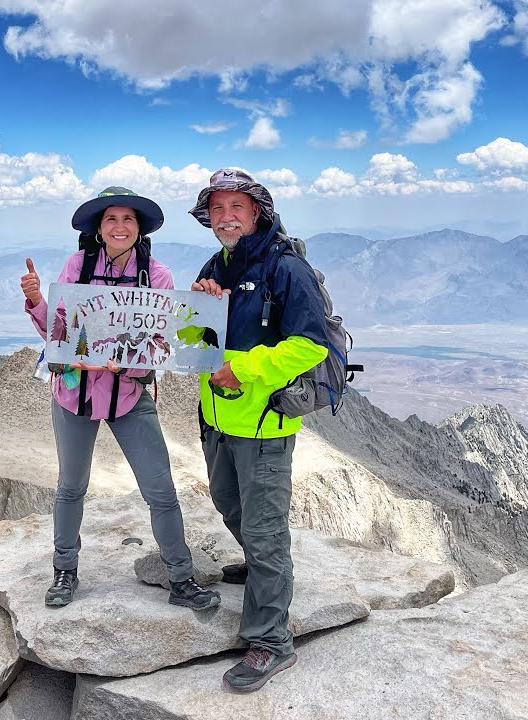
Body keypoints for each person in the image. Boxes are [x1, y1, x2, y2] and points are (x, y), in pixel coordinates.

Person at [20, 186, 220, 612]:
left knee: (161, 490)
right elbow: (58, 331)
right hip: (75, 393)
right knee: (71, 487)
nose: (120, 226)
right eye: (111, 219)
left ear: (139, 228)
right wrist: (37, 301)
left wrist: (123, 365)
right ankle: (64, 571)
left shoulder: (157, 276)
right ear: (99, 227)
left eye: (128, 219)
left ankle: (181, 579)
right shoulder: (78, 264)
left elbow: (161, 342)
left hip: (129, 394)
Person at [189, 168, 329, 693]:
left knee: (266, 531)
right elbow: (194, 343)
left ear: (258, 213)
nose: (226, 217)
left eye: (237, 208)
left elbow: (311, 344)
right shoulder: (215, 265)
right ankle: (257, 569)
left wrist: (245, 368)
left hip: (265, 422)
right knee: (230, 505)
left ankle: (271, 641)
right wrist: (199, 305)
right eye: (218, 209)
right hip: (218, 417)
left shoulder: (286, 270)